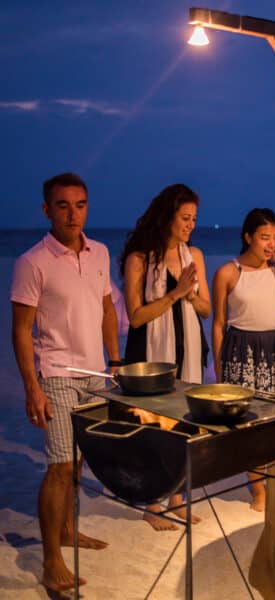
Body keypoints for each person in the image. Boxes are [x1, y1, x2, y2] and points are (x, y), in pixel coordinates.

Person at [10, 172, 120, 593]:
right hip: (56, 375)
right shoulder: (31, 262)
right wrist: (31, 387)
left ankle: (69, 531)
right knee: (58, 467)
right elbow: (21, 330)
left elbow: (108, 308)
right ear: (46, 210)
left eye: (80, 204)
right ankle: (52, 560)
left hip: (96, 375)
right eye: (62, 205)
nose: (73, 214)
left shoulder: (100, 253)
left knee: (77, 463)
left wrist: (116, 360)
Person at [120, 183, 210, 530]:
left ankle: (177, 499)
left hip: (188, 349)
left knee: (185, 423)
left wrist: (190, 295)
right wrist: (176, 293)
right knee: (155, 423)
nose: (190, 225)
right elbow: (136, 316)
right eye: (185, 218)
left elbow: (205, 310)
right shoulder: (140, 258)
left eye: (194, 219)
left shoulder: (194, 256)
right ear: (166, 217)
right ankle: (152, 504)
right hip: (151, 355)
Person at [212, 208, 275, 511]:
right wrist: (219, 368)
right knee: (250, 425)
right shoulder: (229, 272)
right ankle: (259, 492)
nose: (271, 243)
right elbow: (218, 324)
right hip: (243, 351)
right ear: (248, 236)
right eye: (264, 237)